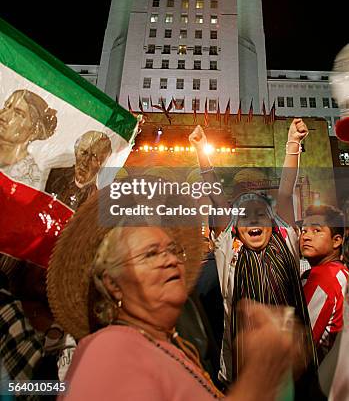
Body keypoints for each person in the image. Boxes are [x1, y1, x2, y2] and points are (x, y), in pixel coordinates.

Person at [47, 191, 295, 401]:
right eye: (151, 254)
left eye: (173, 249)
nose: (170, 260)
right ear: (113, 283)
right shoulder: (108, 350)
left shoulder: (173, 343)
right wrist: (260, 375)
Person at [189, 120, 320, 398]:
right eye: (245, 216)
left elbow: (285, 190)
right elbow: (214, 192)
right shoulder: (229, 249)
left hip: (292, 376)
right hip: (241, 377)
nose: (253, 220)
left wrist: (293, 143)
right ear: (234, 227)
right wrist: (201, 148)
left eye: (260, 214)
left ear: (273, 221)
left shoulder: (287, 239)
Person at [300, 204, 348, 363]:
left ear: (336, 241)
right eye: (304, 231)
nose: (306, 236)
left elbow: (300, 347)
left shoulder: (324, 277)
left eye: (316, 230)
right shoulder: (341, 273)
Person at [0, 89, 57, 188]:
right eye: (6, 107)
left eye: (18, 114)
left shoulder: (29, 179)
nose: (3, 116)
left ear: (34, 130)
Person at [45, 130, 112, 210]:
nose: (85, 162)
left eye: (94, 157)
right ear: (76, 152)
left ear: (102, 164)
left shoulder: (95, 200)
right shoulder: (55, 175)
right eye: (84, 152)